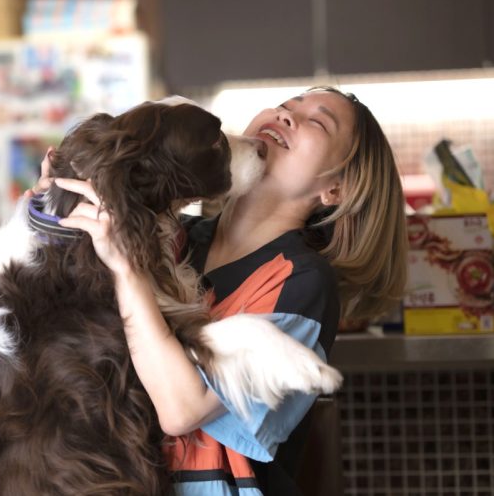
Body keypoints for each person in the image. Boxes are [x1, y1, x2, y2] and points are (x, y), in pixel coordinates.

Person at [42, 86, 408, 495]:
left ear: (336, 189)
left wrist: (126, 270)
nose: (286, 115)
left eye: (317, 121)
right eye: (286, 106)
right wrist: (53, 214)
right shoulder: (173, 239)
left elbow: (183, 408)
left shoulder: (302, 282)